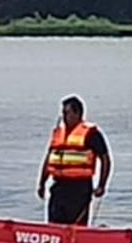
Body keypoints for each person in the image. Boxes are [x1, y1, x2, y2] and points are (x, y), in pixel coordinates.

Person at [37, 95, 111, 225]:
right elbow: (49, 159)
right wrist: (42, 183)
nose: (64, 117)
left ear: (77, 114)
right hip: (58, 187)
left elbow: (105, 159)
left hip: (79, 188)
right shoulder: (58, 133)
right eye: (63, 113)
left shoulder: (91, 134)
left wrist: (101, 185)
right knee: (55, 224)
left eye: (67, 113)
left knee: (76, 225)